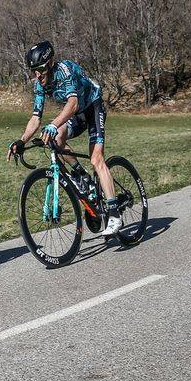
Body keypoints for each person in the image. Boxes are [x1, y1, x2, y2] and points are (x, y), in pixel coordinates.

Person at [7, 41, 122, 236]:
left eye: (41, 70)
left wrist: (53, 124)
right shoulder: (40, 84)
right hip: (76, 114)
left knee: (96, 159)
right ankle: (82, 176)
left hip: (92, 107)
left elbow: (73, 104)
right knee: (55, 139)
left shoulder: (65, 70)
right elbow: (36, 118)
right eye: (34, 71)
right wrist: (22, 140)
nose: (38, 75)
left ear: (51, 63)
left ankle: (114, 213)